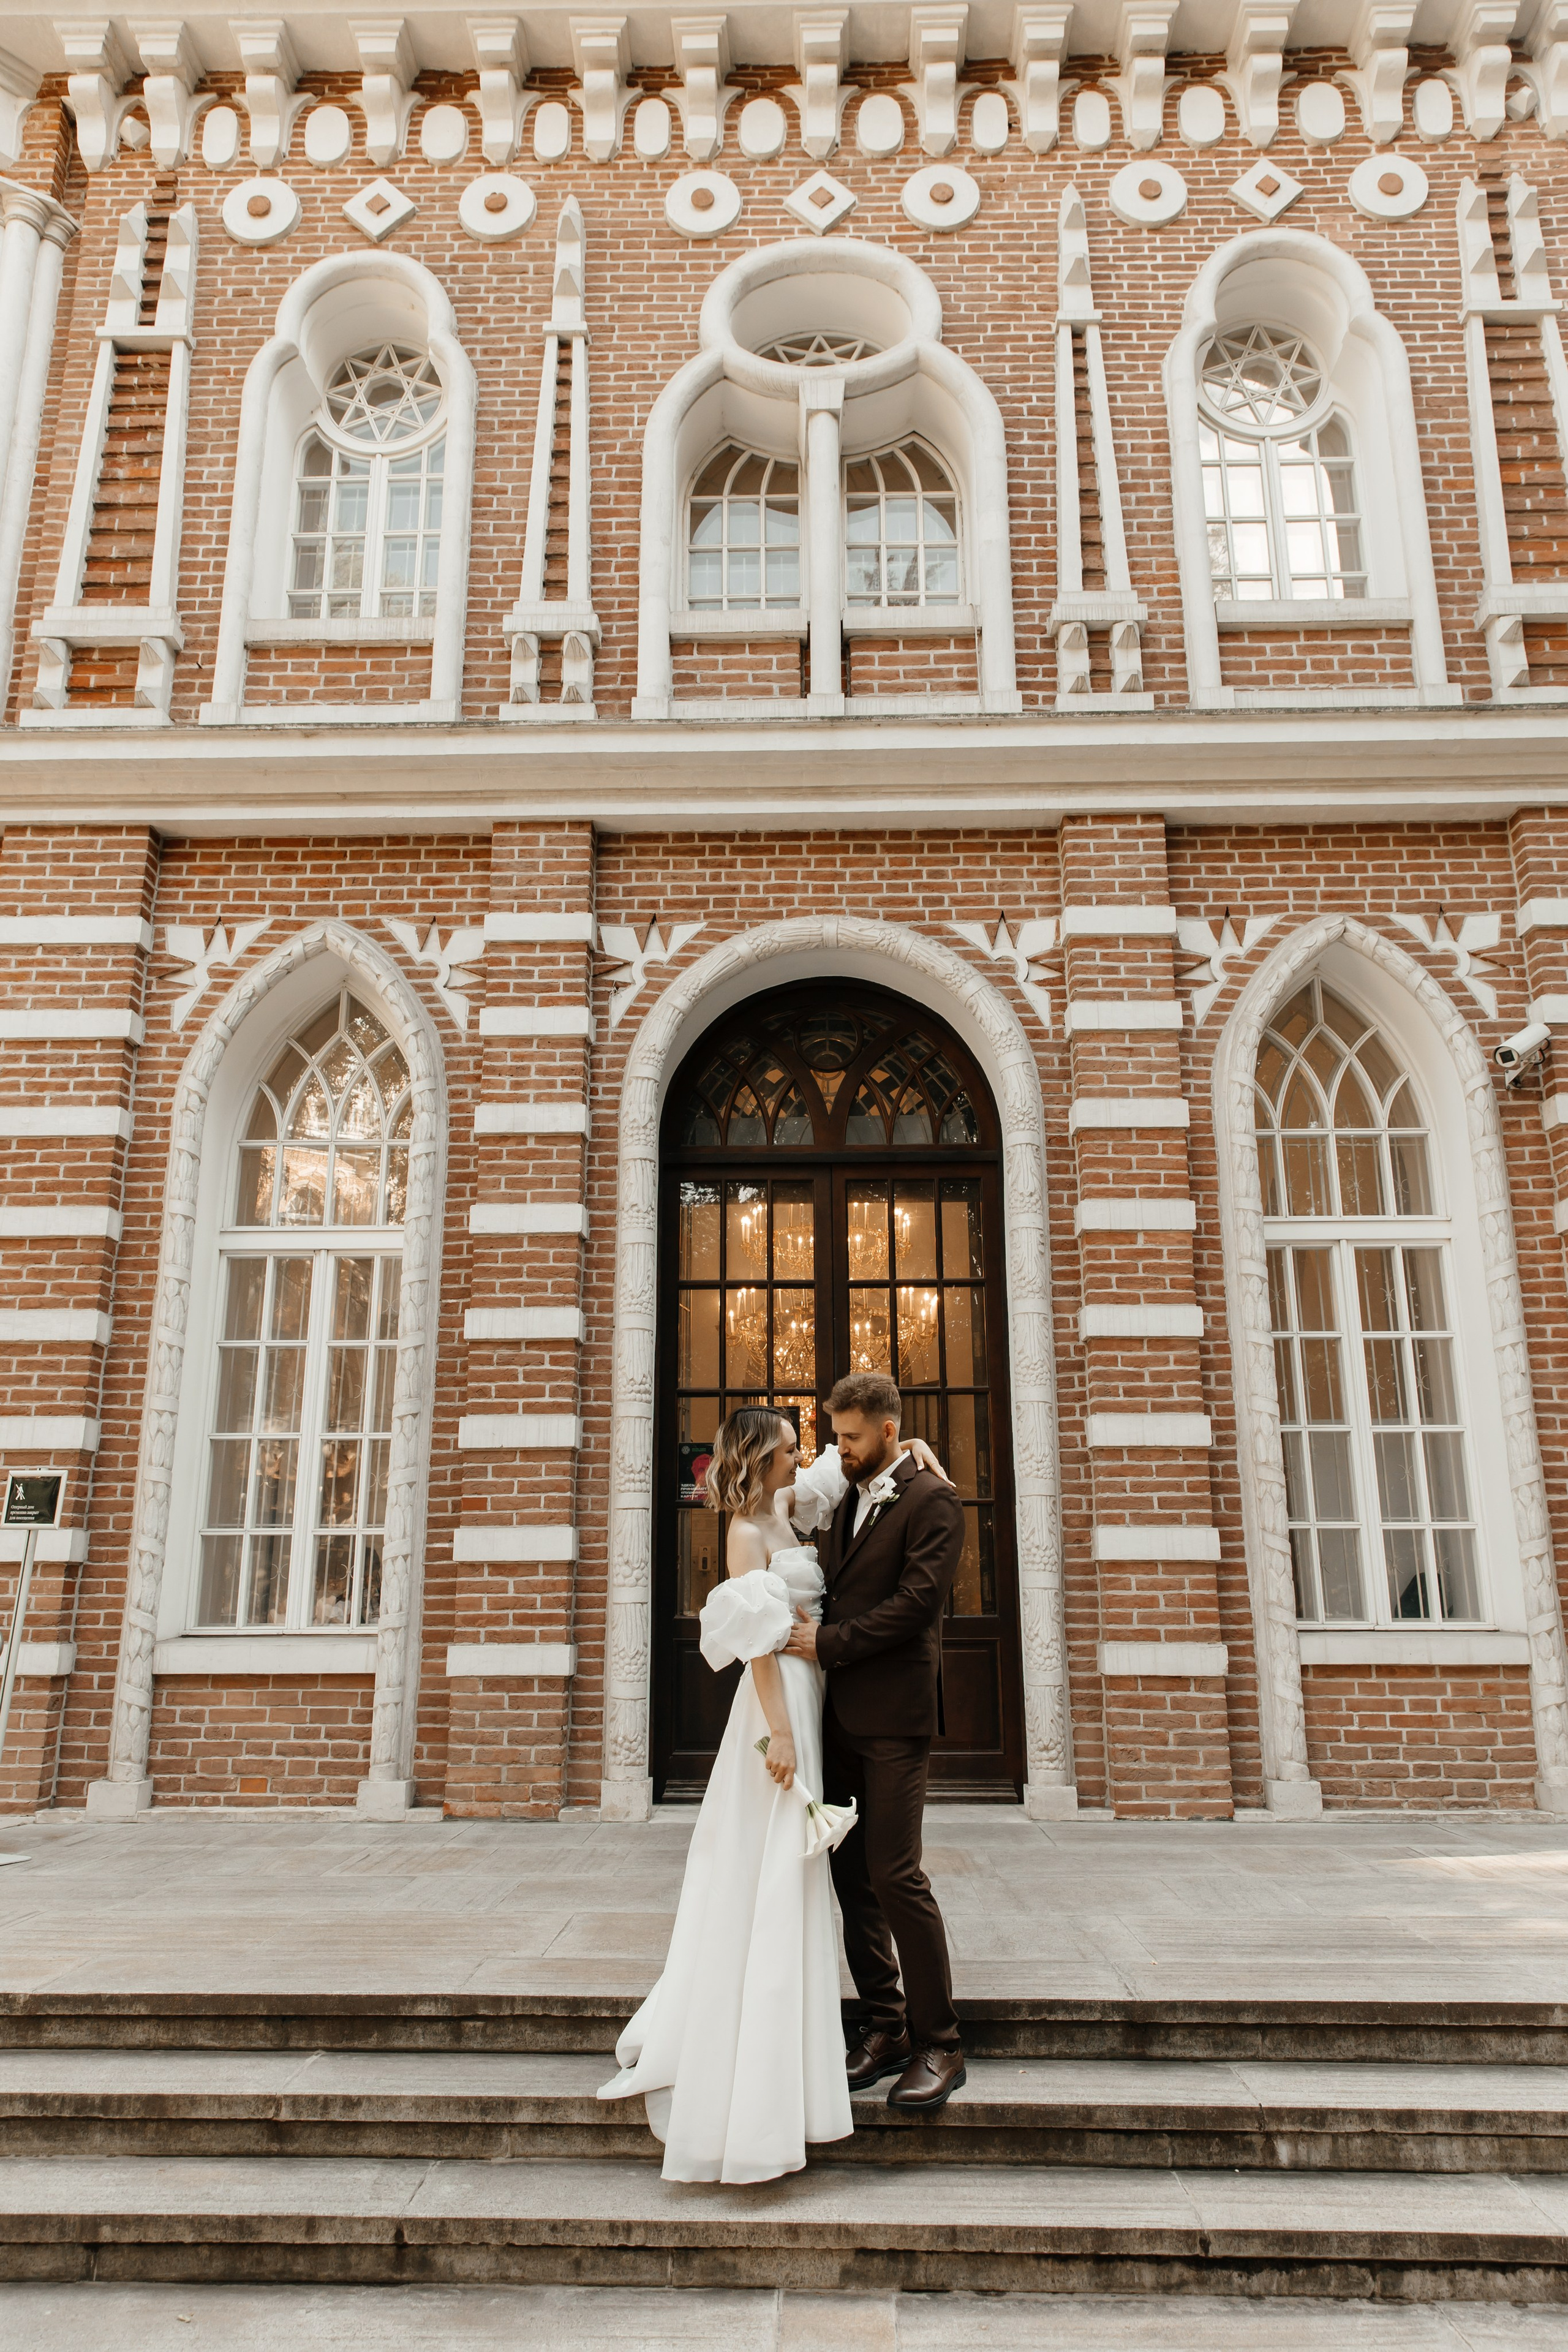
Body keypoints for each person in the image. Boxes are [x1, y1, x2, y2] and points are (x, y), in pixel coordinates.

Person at [596, 1403, 948, 2182]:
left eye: (804, 1447)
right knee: (779, 1863)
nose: (805, 1456)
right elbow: (758, 1643)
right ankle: (762, 2052)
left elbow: (853, 1468)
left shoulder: (790, 1506)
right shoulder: (745, 1535)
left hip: (819, 1691)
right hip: (782, 1698)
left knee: (808, 1864)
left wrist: (910, 1445)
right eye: (792, 1448)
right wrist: (781, 1733)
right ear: (761, 1458)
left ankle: (818, 2037)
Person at [783, 1370, 967, 2112]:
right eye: (835, 1436)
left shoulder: (933, 1499)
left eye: (851, 1438)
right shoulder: (854, 1487)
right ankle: (885, 2026)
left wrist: (826, 1644)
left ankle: (941, 2043)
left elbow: (916, 1605)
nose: (840, 1450)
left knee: (897, 1876)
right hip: (840, 1720)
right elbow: (782, 1502)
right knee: (850, 1877)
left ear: (889, 1430)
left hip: (894, 1718)